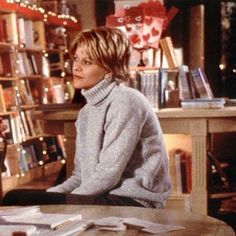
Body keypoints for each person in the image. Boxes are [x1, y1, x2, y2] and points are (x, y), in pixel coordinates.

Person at [2, 27, 171, 208]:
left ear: (108, 70)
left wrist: (65, 204)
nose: (76, 66)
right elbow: (80, 176)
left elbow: (107, 174)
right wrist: (50, 196)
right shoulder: (86, 112)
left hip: (133, 200)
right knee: (13, 197)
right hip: (102, 194)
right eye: (76, 58)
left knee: (22, 201)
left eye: (87, 61)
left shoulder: (126, 101)